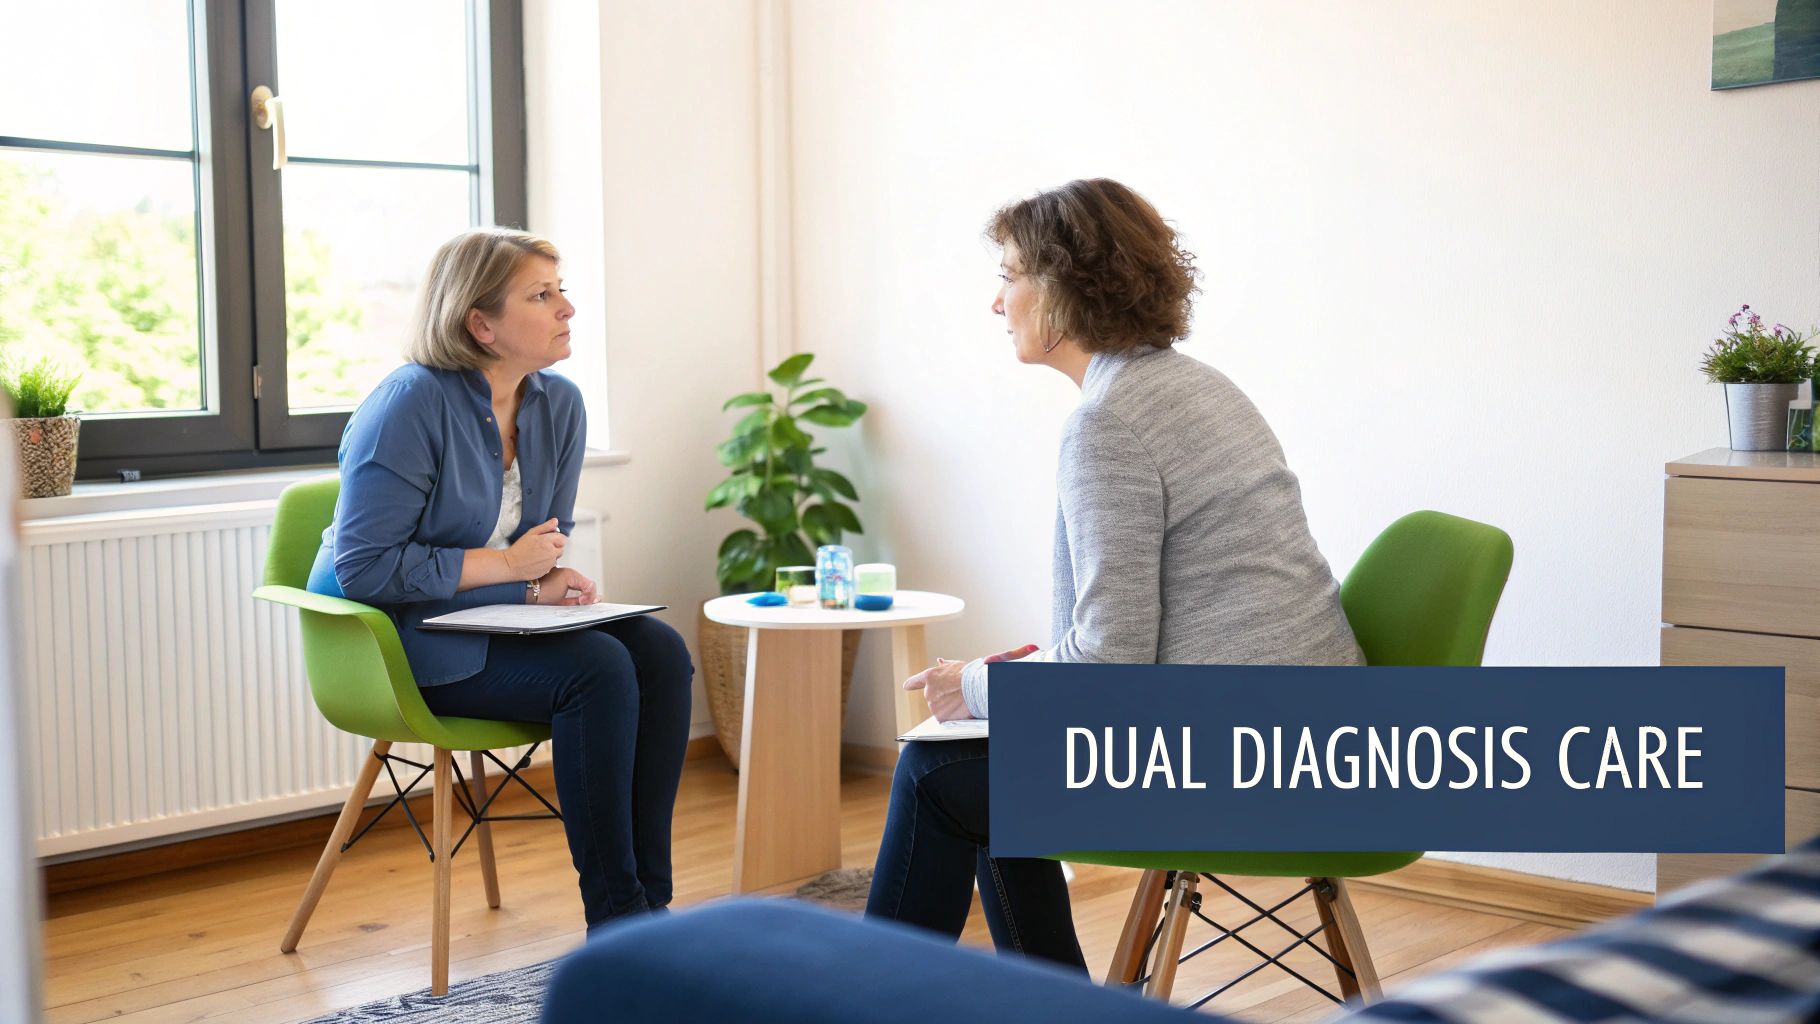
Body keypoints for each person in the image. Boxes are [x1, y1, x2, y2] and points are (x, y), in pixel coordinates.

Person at [864, 179, 1364, 970]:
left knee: (939, 772)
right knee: (995, 768)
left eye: (1009, 278)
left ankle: (855, 1002)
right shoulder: (1199, 386)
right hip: (1322, 740)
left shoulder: (1107, 424)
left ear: (1060, 287)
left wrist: (977, 685)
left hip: (1248, 764)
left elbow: (1110, 669)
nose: (999, 305)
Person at [306, 227, 693, 930]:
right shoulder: (406, 406)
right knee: (599, 670)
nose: (565, 308)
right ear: (479, 323)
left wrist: (537, 584)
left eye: (561, 289)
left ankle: (651, 912)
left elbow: (541, 540)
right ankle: (618, 922)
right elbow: (361, 569)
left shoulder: (560, 404)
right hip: (395, 637)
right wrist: (510, 571)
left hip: (493, 616)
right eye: (540, 295)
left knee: (660, 652)